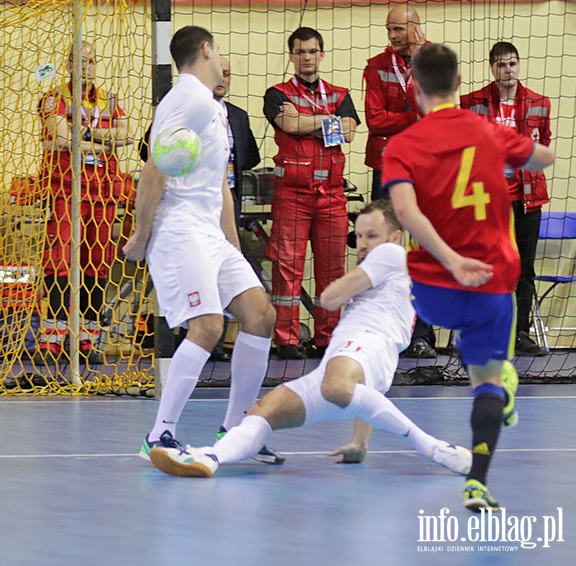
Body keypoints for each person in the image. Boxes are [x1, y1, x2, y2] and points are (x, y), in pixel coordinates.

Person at [149, 200, 472, 479]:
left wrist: (336, 290)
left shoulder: (390, 255)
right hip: (345, 361)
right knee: (262, 412)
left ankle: (433, 447)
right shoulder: (380, 273)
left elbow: (330, 298)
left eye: (371, 235)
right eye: (358, 236)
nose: (362, 244)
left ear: (395, 237)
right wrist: (360, 444)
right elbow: (367, 390)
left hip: (365, 347)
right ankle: (210, 457)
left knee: (336, 386)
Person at [384, 44, 554, 510]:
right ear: (460, 85)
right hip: (491, 282)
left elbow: (403, 211)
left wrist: (448, 258)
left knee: (388, 294)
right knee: (485, 383)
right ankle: (477, 480)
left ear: (414, 88)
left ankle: (498, 379)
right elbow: (544, 158)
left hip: (434, 289)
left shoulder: (402, 145)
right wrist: (527, 149)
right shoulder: (489, 130)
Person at [123, 26, 281, 464]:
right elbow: (154, 169)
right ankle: (159, 435)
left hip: (210, 232)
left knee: (260, 314)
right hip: (178, 229)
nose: (224, 62)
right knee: (207, 324)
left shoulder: (213, 108)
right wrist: (141, 234)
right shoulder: (187, 98)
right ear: (206, 49)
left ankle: (236, 431)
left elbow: (221, 186)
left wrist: (232, 247)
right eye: (221, 52)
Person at [139, 56, 263, 361]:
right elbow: (152, 156)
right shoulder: (186, 107)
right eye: (219, 70)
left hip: (223, 206)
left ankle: (218, 347)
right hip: (186, 219)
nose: (223, 77)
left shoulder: (236, 116)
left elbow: (244, 160)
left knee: (257, 308)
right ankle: (187, 338)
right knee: (203, 315)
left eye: (229, 73)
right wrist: (141, 232)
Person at [263, 27, 360, 360]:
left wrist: (309, 120)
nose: (306, 57)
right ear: (291, 56)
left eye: (312, 51)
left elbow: (348, 133)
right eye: (300, 52)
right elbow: (289, 125)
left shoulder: (340, 92)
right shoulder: (276, 94)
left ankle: (327, 338)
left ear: (321, 54)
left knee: (332, 270)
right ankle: (287, 340)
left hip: (332, 195)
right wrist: (327, 120)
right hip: (292, 195)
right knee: (287, 268)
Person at [35, 42, 134, 365]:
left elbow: (127, 136)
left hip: (103, 192)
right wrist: (104, 139)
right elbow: (62, 139)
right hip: (66, 190)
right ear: (69, 65)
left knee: (98, 262)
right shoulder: (54, 97)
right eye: (81, 61)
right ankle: (53, 337)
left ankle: (88, 338)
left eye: (92, 61)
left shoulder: (110, 100)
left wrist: (86, 135)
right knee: (60, 260)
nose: (87, 67)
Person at [460, 42, 552, 357]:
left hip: (527, 199)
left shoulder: (540, 103)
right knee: (485, 267)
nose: (508, 69)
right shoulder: (471, 103)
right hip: (488, 200)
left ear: (519, 65)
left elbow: (544, 143)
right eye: (501, 64)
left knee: (524, 269)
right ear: (492, 68)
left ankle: (521, 334)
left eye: (512, 63)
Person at [363, 5, 437, 360]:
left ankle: (422, 333)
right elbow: (375, 120)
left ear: (416, 28)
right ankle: (381, 327)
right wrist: (412, 119)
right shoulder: (376, 66)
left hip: (426, 167)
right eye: (388, 29)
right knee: (383, 247)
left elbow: (436, 110)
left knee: (425, 250)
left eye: (398, 29)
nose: (392, 36)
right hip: (387, 165)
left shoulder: (436, 59)